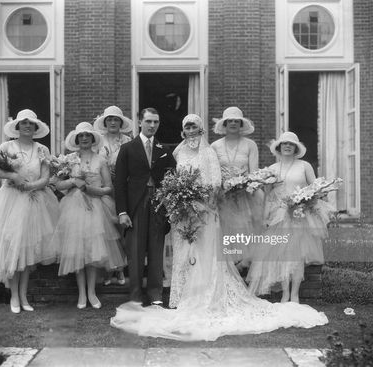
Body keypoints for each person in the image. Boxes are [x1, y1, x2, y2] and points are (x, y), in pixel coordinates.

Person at [110, 115, 328, 341]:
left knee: (205, 254)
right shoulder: (176, 153)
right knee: (184, 254)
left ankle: (206, 295)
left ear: (201, 130)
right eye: (188, 127)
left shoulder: (209, 153)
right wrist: (180, 200)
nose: (191, 131)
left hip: (204, 212)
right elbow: (170, 179)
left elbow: (215, 184)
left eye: (195, 127)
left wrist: (200, 202)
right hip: (183, 214)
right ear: (183, 131)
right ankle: (182, 297)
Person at [0, 109, 59, 313]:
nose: (27, 126)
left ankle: (24, 296)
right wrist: (12, 176)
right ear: (17, 127)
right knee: (13, 249)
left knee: (27, 252)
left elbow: (46, 177)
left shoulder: (41, 149)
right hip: (10, 201)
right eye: (23, 123)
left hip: (34, 200)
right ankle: (14, 297)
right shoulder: (6, 146)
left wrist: (30, 186)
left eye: (31, 124)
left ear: (36, 127)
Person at [247, 131, 332, 303]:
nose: (287, 146)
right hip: (278, 215)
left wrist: (303, 202)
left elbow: (316, 189)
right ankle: (285, 293)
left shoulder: (304, 166)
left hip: (299, 215)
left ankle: (295, 294)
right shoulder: (272, 170)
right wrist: (265, 218)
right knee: (282, 254)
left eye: (290, 144)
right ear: (278, 148)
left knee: (297, 254)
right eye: (284, 144)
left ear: (295, 148)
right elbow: (268, 197)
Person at [51, 122, 126, 309]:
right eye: (81, 136)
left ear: (93, 139)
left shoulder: (100, 160)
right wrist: (74, 181)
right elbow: (57, 185)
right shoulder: (69, 159)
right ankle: (82, 294)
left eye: (87, 135)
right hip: (73, 208)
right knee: (78, 251)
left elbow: (109, 187)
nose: (84, 138)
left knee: (93, 252)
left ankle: (92, 292)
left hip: (96, 207)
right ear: (77, 139)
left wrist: (92, 188)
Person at [114, 107, 176, 306]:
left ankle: (155, 293)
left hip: (158, 204)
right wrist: (122, 211)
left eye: (156, 122)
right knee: (136, 250)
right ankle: (135, 294)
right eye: (148, 121)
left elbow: (172, 177)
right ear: (140, 122)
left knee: (156, 248)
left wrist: (170, 203)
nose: (152, 125)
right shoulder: (128, 148)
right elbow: (120, 183)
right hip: (136, 204)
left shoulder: (163, 150)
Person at [211, 106, 263, 263]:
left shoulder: (250, 145)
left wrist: (244, 185)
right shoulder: (215, 146)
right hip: (223, 195)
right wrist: (223, 187)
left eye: (236, 121)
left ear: (241, 124)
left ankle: (244, 266)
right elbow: (214, 173)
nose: (233, 123)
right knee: (226, 231)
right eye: (230, 121)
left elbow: (254, 172)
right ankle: (228, 268)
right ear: (224, 124)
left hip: (245, 195)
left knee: (244, 231)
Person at [95, 106, 134, 286]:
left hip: (123, 188)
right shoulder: (98, 141)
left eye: (116, 120)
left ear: (120, 122)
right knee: (106, 229)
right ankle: (107, 271)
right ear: (105, 122)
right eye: (109, 119)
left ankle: (120, 270)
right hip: (104, 188)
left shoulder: (128, 140)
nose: (112, 122)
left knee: (121, 229)